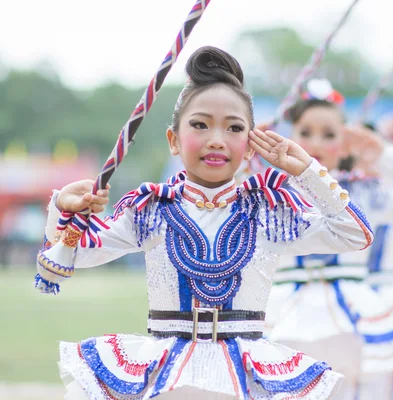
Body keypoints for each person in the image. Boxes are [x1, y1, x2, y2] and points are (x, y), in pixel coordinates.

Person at [34, 46, 374, 400]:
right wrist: (63, 208)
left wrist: (306, 171)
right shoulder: (149, 211)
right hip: (167, 378)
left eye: (234, 128)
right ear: (173, 140)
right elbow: (63, 263)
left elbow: (354, 234)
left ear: (250, 144)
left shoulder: (270, 212)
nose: (216, 139)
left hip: (244, 378)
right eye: (200, 124)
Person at [264, 79, 393, 399]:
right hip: (284, 314)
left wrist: (384, 155)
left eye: (329, 134)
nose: (315, 142)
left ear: (345, 142)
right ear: (291, 135)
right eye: (305, 132)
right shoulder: (269, 192)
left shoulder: (362, 192)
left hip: (353, 307)